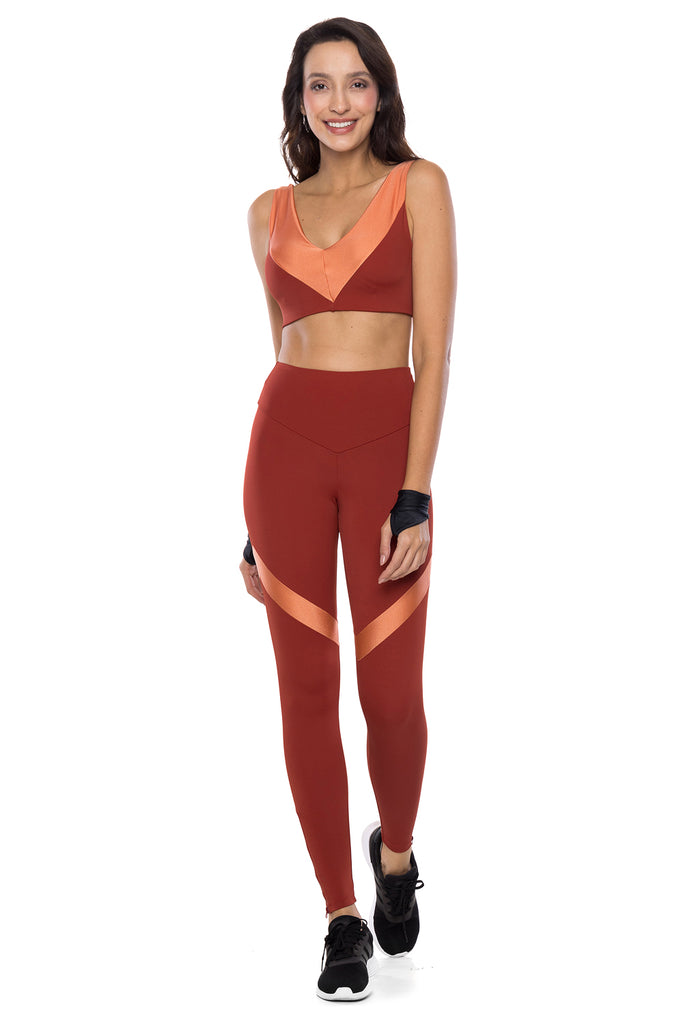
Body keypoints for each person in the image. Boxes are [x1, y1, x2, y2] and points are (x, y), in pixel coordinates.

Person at [239, 17, 456, 1001]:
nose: (337, 103)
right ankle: (338, 914)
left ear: (380, 93)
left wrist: (414, 492)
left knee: (391, 694)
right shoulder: (266, 212)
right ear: (298, 100)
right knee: (302, 690)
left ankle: (395, 853)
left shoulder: (420, 187)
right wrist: (257, 523)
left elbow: (433, 353)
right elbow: (281, 346)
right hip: (282, 453)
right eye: (318, 85)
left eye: (355, 83)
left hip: (383, 456)